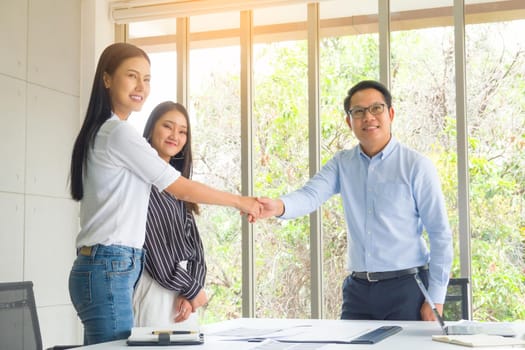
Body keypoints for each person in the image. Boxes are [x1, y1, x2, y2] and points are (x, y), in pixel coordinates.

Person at [68, 43, 260, 345]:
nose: (140, 86)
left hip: (108, 265)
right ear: (107, 79)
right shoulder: (118, 133)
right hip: (109, 265)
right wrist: (240, 201)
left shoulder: (108, 131)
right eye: (131, 76)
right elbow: (179, 187)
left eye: (146, 79)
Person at [258, 80, 453, 321]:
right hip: (358, 291)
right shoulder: (343, 163)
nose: (368, 117)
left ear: (390, 113)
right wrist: (277, 206)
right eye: (358, 112)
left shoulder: (416, 166)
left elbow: (440, 234)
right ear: (349, 121)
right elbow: (310, 195)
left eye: (376, 109)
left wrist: (435, 299)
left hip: (408, 288)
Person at [132, 101, 207, 327]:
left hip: (182, 291)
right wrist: (192, 289)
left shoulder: (179, 188)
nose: (175, 135)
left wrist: (190, 290)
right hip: (154, 287)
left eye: (183, 131)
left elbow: (196, 250)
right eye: (168, 126)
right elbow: (154, 251)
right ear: (152, 128)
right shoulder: (142, 181)